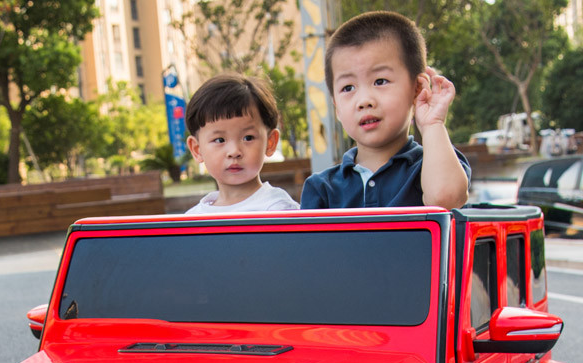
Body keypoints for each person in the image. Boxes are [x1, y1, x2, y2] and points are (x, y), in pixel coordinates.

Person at [300, 11, 470, 210]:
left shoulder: (433, 164)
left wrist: (432, 124)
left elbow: (444, 199)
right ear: (336, 106)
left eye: (380, 81)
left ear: (417, 90)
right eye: (348, 88)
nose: (364, 101)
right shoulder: (322, 188)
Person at [185, 73, 300, 214]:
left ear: (270, 142)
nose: (234, 151)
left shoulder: (279, 210)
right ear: (197, 149)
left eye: (248, 138)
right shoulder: (193, 219)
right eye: (219, 140)